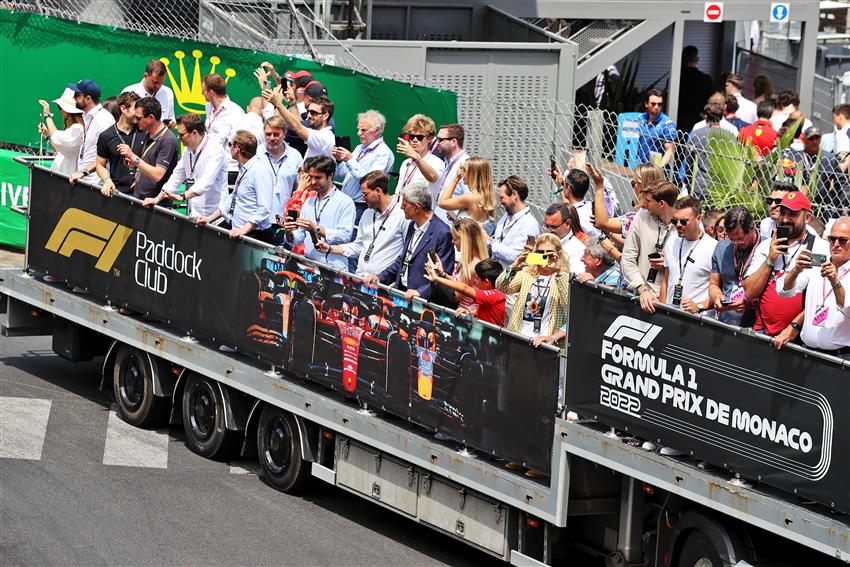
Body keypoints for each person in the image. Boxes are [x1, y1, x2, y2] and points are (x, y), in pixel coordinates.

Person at [743, 191, 830, 339]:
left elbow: (823, 298)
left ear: (807, 217)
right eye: (782, 213)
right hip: (762, 331)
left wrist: (794, 326)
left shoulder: (821, 248)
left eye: (793, 215)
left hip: (797, 336)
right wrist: (770, 258)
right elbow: (750, 293)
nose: (785, 219)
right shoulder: (766, 246)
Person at [363, 181, 455, 301]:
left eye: (405, 204)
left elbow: (445, 275)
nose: (401, 207)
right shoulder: (412, 225)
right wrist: (380, 277)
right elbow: (403, 260)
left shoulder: (442, 233)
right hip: (402, 294)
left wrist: (420, 293)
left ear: (417, 207)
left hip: (422, 301)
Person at [776, 217, 850, 359]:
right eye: (832, 239)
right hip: (808, 352)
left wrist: (835, 282)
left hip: (841, 357)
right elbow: (783, 291)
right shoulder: (819, 261)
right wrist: (796, 270)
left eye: (842, 240)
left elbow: (847, 309)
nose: (835, 244)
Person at [317, 171, 406, 277]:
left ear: (378, 191)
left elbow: (406, 254)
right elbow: (358, 246)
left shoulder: (402, 215)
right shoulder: (367, 213)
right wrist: (330, 248)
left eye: (365, 194)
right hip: (360, 278)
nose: (363, 198)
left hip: (382, 283)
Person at [195, 131, 276, 243]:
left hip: (256, 236)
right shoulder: (244, 168)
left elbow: (264, 208)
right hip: (241, 233)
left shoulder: (259, 171)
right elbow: (233, 198)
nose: (229, 148)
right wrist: (209, 219)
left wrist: (243, 230)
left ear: (237, 148)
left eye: (230, 144)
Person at [144, 113, 228, 219]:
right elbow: (177, 176)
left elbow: (206, 182)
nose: (178, 137)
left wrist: (182, 197)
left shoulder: (215, 150)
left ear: (194, 133)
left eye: (181, 135)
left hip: (215, 217)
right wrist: (157, 199)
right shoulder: (188, 149)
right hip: (195, 214)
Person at [283, 155, 355, 270]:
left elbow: (345, 236)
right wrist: (288, 232)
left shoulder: (345, 202)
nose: (313, 181)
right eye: (311, 177)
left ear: (330, 175)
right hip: (308, 265)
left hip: (333, 268)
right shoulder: (309, 201)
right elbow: (299, 236)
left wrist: (316, 229)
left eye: (318, 177)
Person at [496, 233, 570, 339]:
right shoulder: (527, 273)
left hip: (544, 340)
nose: (545, 256)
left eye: (550, 253)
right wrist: (512, 268)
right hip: (519, 335)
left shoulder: (563, 277)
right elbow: (501, 287)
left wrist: (559, 271)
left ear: (558, 254)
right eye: (540, 252)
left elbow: (568, 303)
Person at [621, 180, 678, 306]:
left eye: (648, 201)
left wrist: (668, 264)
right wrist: (642, 289)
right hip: (642, 295)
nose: (644, 205)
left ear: (661, 204)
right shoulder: (641, 217)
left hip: (671, 300)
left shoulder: (683, 225)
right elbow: (628, 258)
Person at [657, 196, 717, 314]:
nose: (678, 225)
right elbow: (666, 280)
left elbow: (718, 290)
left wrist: (699, 306)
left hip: (696, 318)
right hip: (669, 313)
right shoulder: (672, 241)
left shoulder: (713, 248)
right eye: (675, 221)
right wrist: (661, 309)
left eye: (684, 221)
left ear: (698, 218)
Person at [333, 110, 395, 222]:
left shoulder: (383, 153)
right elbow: (342, 175)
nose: (358, 133)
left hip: (363, 205)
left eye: (364, 130)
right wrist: (339, 161)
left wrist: (350, 159)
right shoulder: (359, 148)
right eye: (358, 129)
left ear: (377, 131)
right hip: (348, 201)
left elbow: (370, 182)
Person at [709, 207, 763, 327]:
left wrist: (750, 303)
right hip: (724, 321)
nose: (735, 243)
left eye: (740, 239)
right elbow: (713, 284)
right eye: (731, 238)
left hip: (754, 326)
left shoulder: (766, 248)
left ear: (752, 228)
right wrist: (717, 297)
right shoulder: (722, 247)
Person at [118, 97, 179, 201]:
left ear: (151, 117)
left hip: (156, 204)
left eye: (139, 118)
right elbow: (149, 163)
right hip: (140, 198)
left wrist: (133, 157)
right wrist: (134, 163)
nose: (136, 121)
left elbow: (158, 175)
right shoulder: (148, 134)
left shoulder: (168, 140)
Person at [784, 127, 849, 221]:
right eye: (811, 138)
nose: (814, 141)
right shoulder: (795, 157)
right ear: (804, 140)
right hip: (796, 203)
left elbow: (842, 182)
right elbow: (787, 178)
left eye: (817, 138)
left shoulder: (828, 159)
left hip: (820, 207)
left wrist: (835, 198)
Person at [590, 162, 664, 239]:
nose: (633, 188)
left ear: (643, 186)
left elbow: (602, 222)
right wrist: (609, 228)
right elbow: (629, 241)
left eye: (633, 183)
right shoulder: (665, 210)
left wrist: (599, 186)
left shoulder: (642, 216)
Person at [424, 258, 506, 327]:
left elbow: (464, 289)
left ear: (487, 282)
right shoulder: (493, 293)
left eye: (477, 278)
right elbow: (485, 310)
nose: (474, 281)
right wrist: (468, 312)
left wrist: (437, 279)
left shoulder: (494, 295)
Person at [94, 91, 146, 197]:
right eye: (135, 108)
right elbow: (100, 165)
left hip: (143, 195)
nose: (139, 113)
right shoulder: (106, 135)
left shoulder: (146, 132)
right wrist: (107, 180)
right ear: (123, 109)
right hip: (118, 194)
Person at [266, 84, 335, 160]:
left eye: (313, 113)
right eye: (308, 111)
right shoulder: (320, 130)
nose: (309, 115)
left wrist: (278, 103)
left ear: (325, 116)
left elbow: (297, 126)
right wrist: (292, 103)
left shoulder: (324, 137)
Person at [258, 116, 302, 231]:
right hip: (257, 220)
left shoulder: (295, 156)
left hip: (283, 222)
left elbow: (298, 189)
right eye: (268, 134)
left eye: (276, 134)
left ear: (285, 134)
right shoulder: (256, 153)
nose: (272, 138)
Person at [67, 79, 115, 184]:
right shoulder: (88, 117)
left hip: (97, 183)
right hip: (85, 180)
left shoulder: (104, 120)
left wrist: (84, 172)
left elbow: (108, 154)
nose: (74, 98)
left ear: (88, 98)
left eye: (77, 95)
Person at [394, 114, 445, 206]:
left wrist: (416, 157)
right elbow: (398, 193)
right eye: (411, 136)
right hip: (403, 211)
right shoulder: (406, 163)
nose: (414, 140)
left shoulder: (437, 162)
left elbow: (432, 177)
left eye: (420, 137)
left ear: (429, 139)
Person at [202, 73, 245, 180]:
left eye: (203, 91)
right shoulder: (208, 107)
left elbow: (239, 144)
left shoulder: (236, 113)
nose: (202, 93)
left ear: (211, 92)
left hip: (228, 170)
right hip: (209, 164)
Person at [489, 176, 539, 267]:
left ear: (514, 194)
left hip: (512, 274)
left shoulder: (529, 224)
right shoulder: (506, 216)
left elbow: (516, 256)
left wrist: (490, 242)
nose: (500, 202)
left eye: (502, 198)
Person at [687, 102, 733, 201]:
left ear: (706, 116)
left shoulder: (696, 134)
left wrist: (687, 180)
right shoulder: (729, 137)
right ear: (722, 116)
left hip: (700, 184)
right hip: (721, 187)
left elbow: (689, 161)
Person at [437, 156, 496, 230]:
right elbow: (473, 224)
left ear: (473, 174)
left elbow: (442, 203)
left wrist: (456, 178)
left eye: (464, 170)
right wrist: (456, 220)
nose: (462, 173)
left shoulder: (469, 197)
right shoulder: (486, 197)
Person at [37, 89, 84, 176]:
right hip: (62, 175)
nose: (60, 110)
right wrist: (47, 135)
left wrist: (47, 115)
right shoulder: (74, 129)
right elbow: (60, 148)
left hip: (67, 178)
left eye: (60, 107)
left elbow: (56, 135)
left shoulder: (78, 129)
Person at [445, 219, 489, 311]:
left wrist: (436, 282)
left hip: (465, 315)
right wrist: (442, 274)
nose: (452, 241)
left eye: (455, 239)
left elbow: (455, 296)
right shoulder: (466, 262)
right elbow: (458, 283)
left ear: (465, 241)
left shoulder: (472, 267)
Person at [433, 123, 469, 220]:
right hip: (440, 219)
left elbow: (469, 199)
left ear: (453, 142)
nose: (437, 143)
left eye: (440, 140)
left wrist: (456, 218)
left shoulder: (465, 164)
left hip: (453, 223)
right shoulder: (446, 162)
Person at [122, 60, 175, 126]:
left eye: (161, 83)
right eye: (155, 82)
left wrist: (171, 124)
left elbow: (171, 118)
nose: (158, 86)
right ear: (145, 76)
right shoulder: (129, 92)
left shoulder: (168, 93)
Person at [677, 45, 714, 134]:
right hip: (698, 123)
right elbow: (711, 102)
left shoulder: (676, 78)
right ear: (697, 59)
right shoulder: (705, 79)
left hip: (678, 121)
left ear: (682, 58)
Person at [636, 89, 676, 169]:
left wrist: (658, 167)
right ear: (646, 104)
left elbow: (669, 150)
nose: (656, 107)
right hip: (639, 165)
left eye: (659, 104)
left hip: (655, 167)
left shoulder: (667, 124)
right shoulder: (641, 118)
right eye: (653, 104)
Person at [542, 203, 585, 274]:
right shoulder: (542, 243)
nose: (548, 231)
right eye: (546, 226)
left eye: (554, 227)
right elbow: (533, 264)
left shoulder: (579, 249)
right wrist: (529, 257)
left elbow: (574, 276)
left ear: (567, 223)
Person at [560, 168, 598, 237]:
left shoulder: (572, 216)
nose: (563, 186)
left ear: (568, 188)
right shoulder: (590, 206)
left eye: (563, 184)